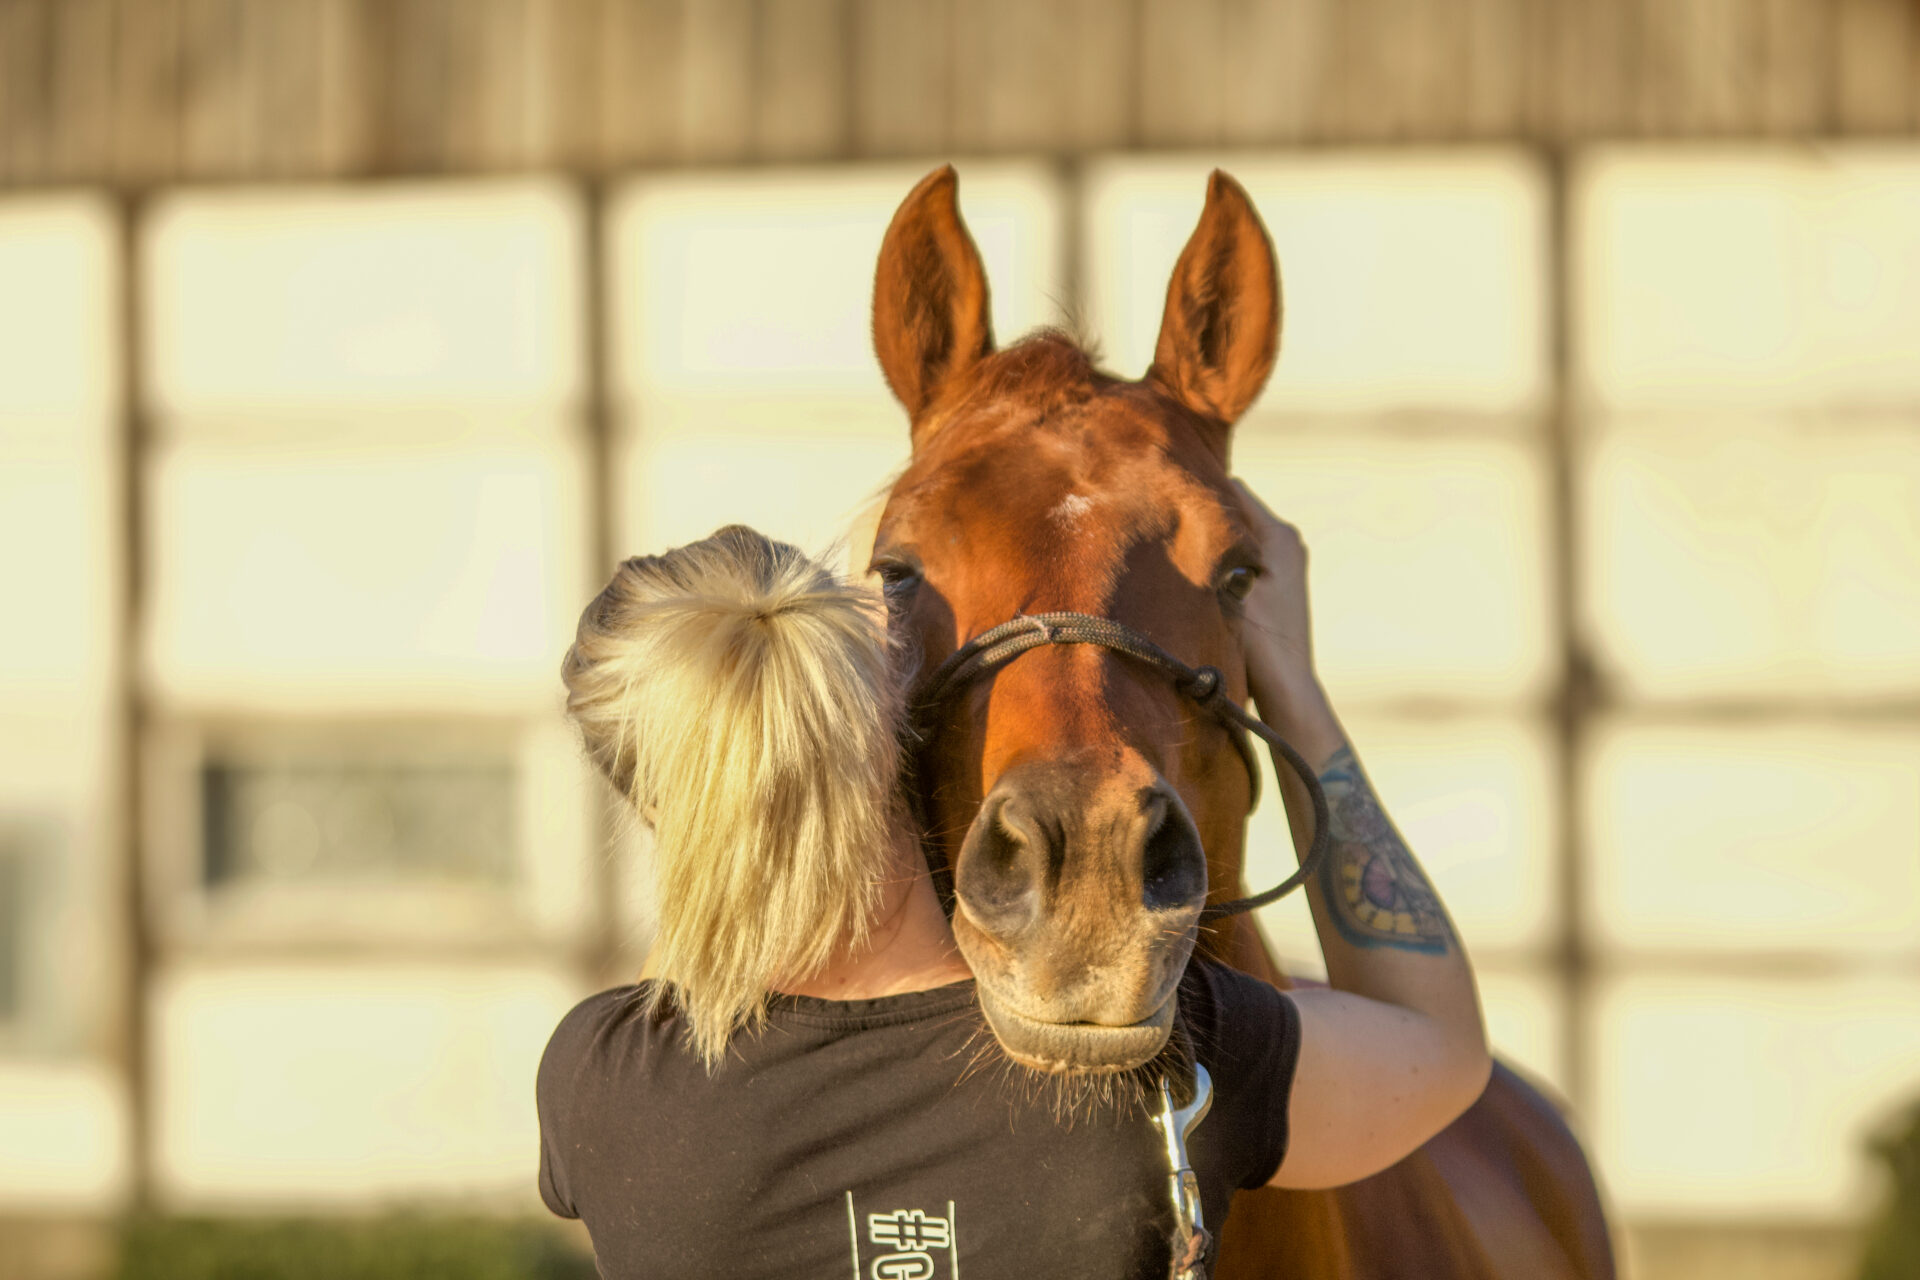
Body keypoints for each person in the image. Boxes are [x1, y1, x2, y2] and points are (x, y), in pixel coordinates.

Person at [536, 484, 1492, 1278]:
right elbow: (1439, 1052)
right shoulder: (1152, 1071)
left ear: (647, 795)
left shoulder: (599, 1081)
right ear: (894, 685)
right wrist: (1289, 678)